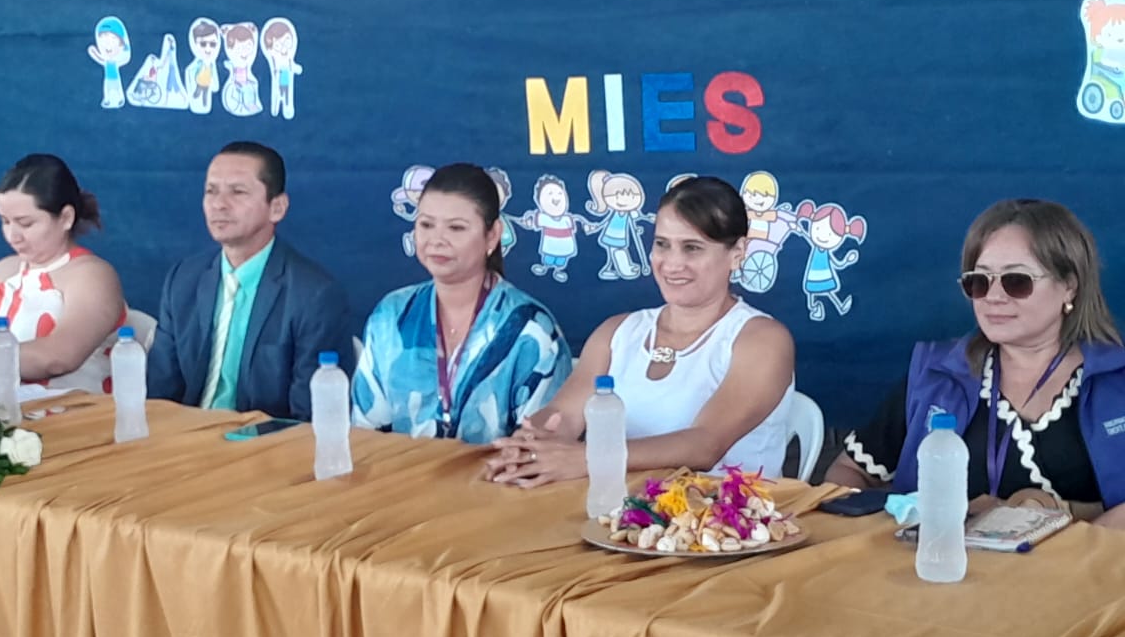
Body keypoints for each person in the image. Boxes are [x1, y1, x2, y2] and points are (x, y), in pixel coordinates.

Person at [826, 199, 1125, 529]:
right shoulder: (936, 374)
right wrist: (877, 534)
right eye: (979, 282)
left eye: (1016, 281)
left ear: (1069, 286)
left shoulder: (1117, 379)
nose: (993, 296)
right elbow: (849, 471)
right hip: (942, 559)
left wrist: (1076, 546)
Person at [486, 176, 796, 487]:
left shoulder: (762, 340)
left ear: (737, 251)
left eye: (692, 248)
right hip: (618, 510)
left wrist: (590, 458)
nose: (672, 263)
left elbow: (705, 444)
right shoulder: (616, 332)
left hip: (729, 514)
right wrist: (528, 445)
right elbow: (562, 416)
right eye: (662, 244)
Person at [352, 163, 571, 444]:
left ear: (492, 235)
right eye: (426, 225)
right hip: (397, 471)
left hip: (498, 473)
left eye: (456, 228)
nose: (436, 240)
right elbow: (364, 436)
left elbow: (540, 449)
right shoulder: (391, 316)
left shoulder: (531, 330)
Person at [148, 141, 354, 420]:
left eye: (238, 192)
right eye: (211, 191)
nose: (219, 204)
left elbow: (309, 418)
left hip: (268, 441)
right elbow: (158, 395)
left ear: (277, 208)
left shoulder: (315, 295)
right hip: (184, 435)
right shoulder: (183, 279)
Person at [0, 154, 126, 394]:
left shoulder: (92, 275)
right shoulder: (4, 269)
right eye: (5, 222)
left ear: (66, 218)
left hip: (73, 409)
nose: (12, 236)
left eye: (26, 223)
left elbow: (60, 356)